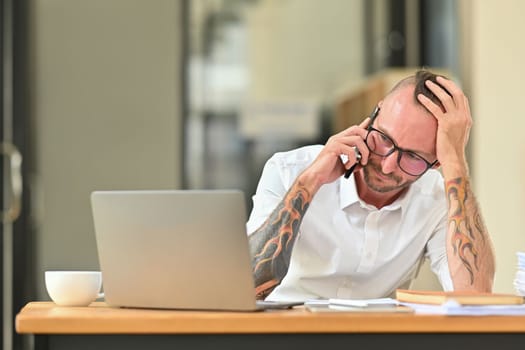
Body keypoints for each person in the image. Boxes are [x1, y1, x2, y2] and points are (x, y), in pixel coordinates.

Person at [246, 69, 495, 301]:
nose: (387, 165)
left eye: (413, 157)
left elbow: (474, 298)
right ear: (374, 115)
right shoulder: (289, 170)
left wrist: (456, 163)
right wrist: (310, 183)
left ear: (437, 162)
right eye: (384, 138)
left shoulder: (438, 199)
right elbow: (249, 288)